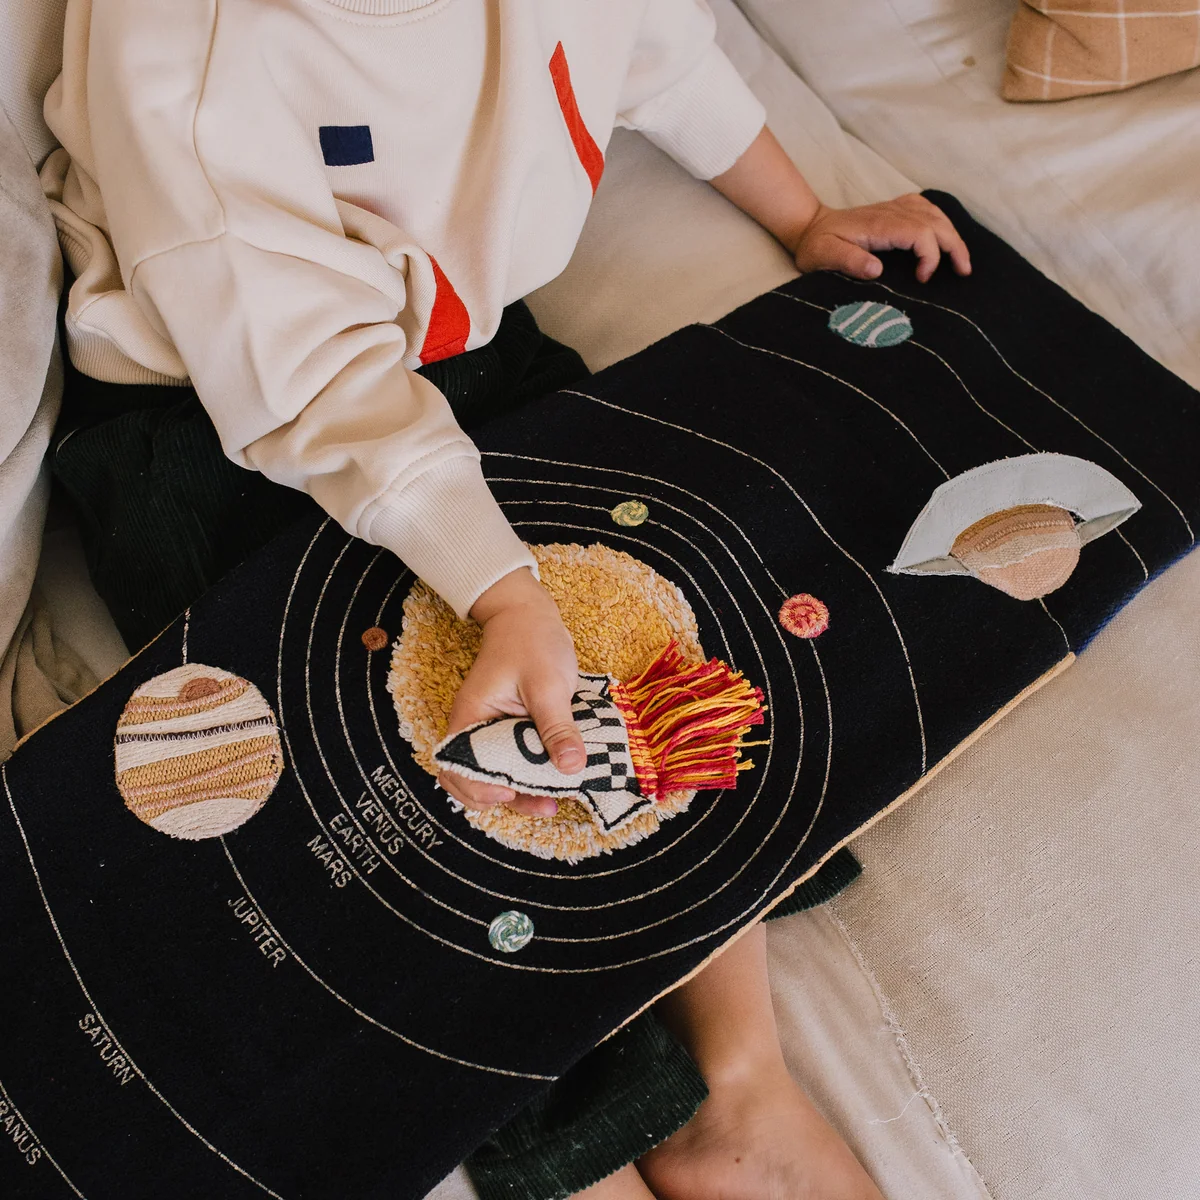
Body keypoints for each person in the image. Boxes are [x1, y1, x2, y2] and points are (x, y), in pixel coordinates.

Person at [41, 1, 970, 1196]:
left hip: (453, 345)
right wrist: (500, 591)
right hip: (215, 409)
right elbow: (306, 378)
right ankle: (586, 1148)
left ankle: (743, 1081)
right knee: (388, 792)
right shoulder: (192, 51)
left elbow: (660, 50)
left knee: (642, 608)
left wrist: (803, 214)